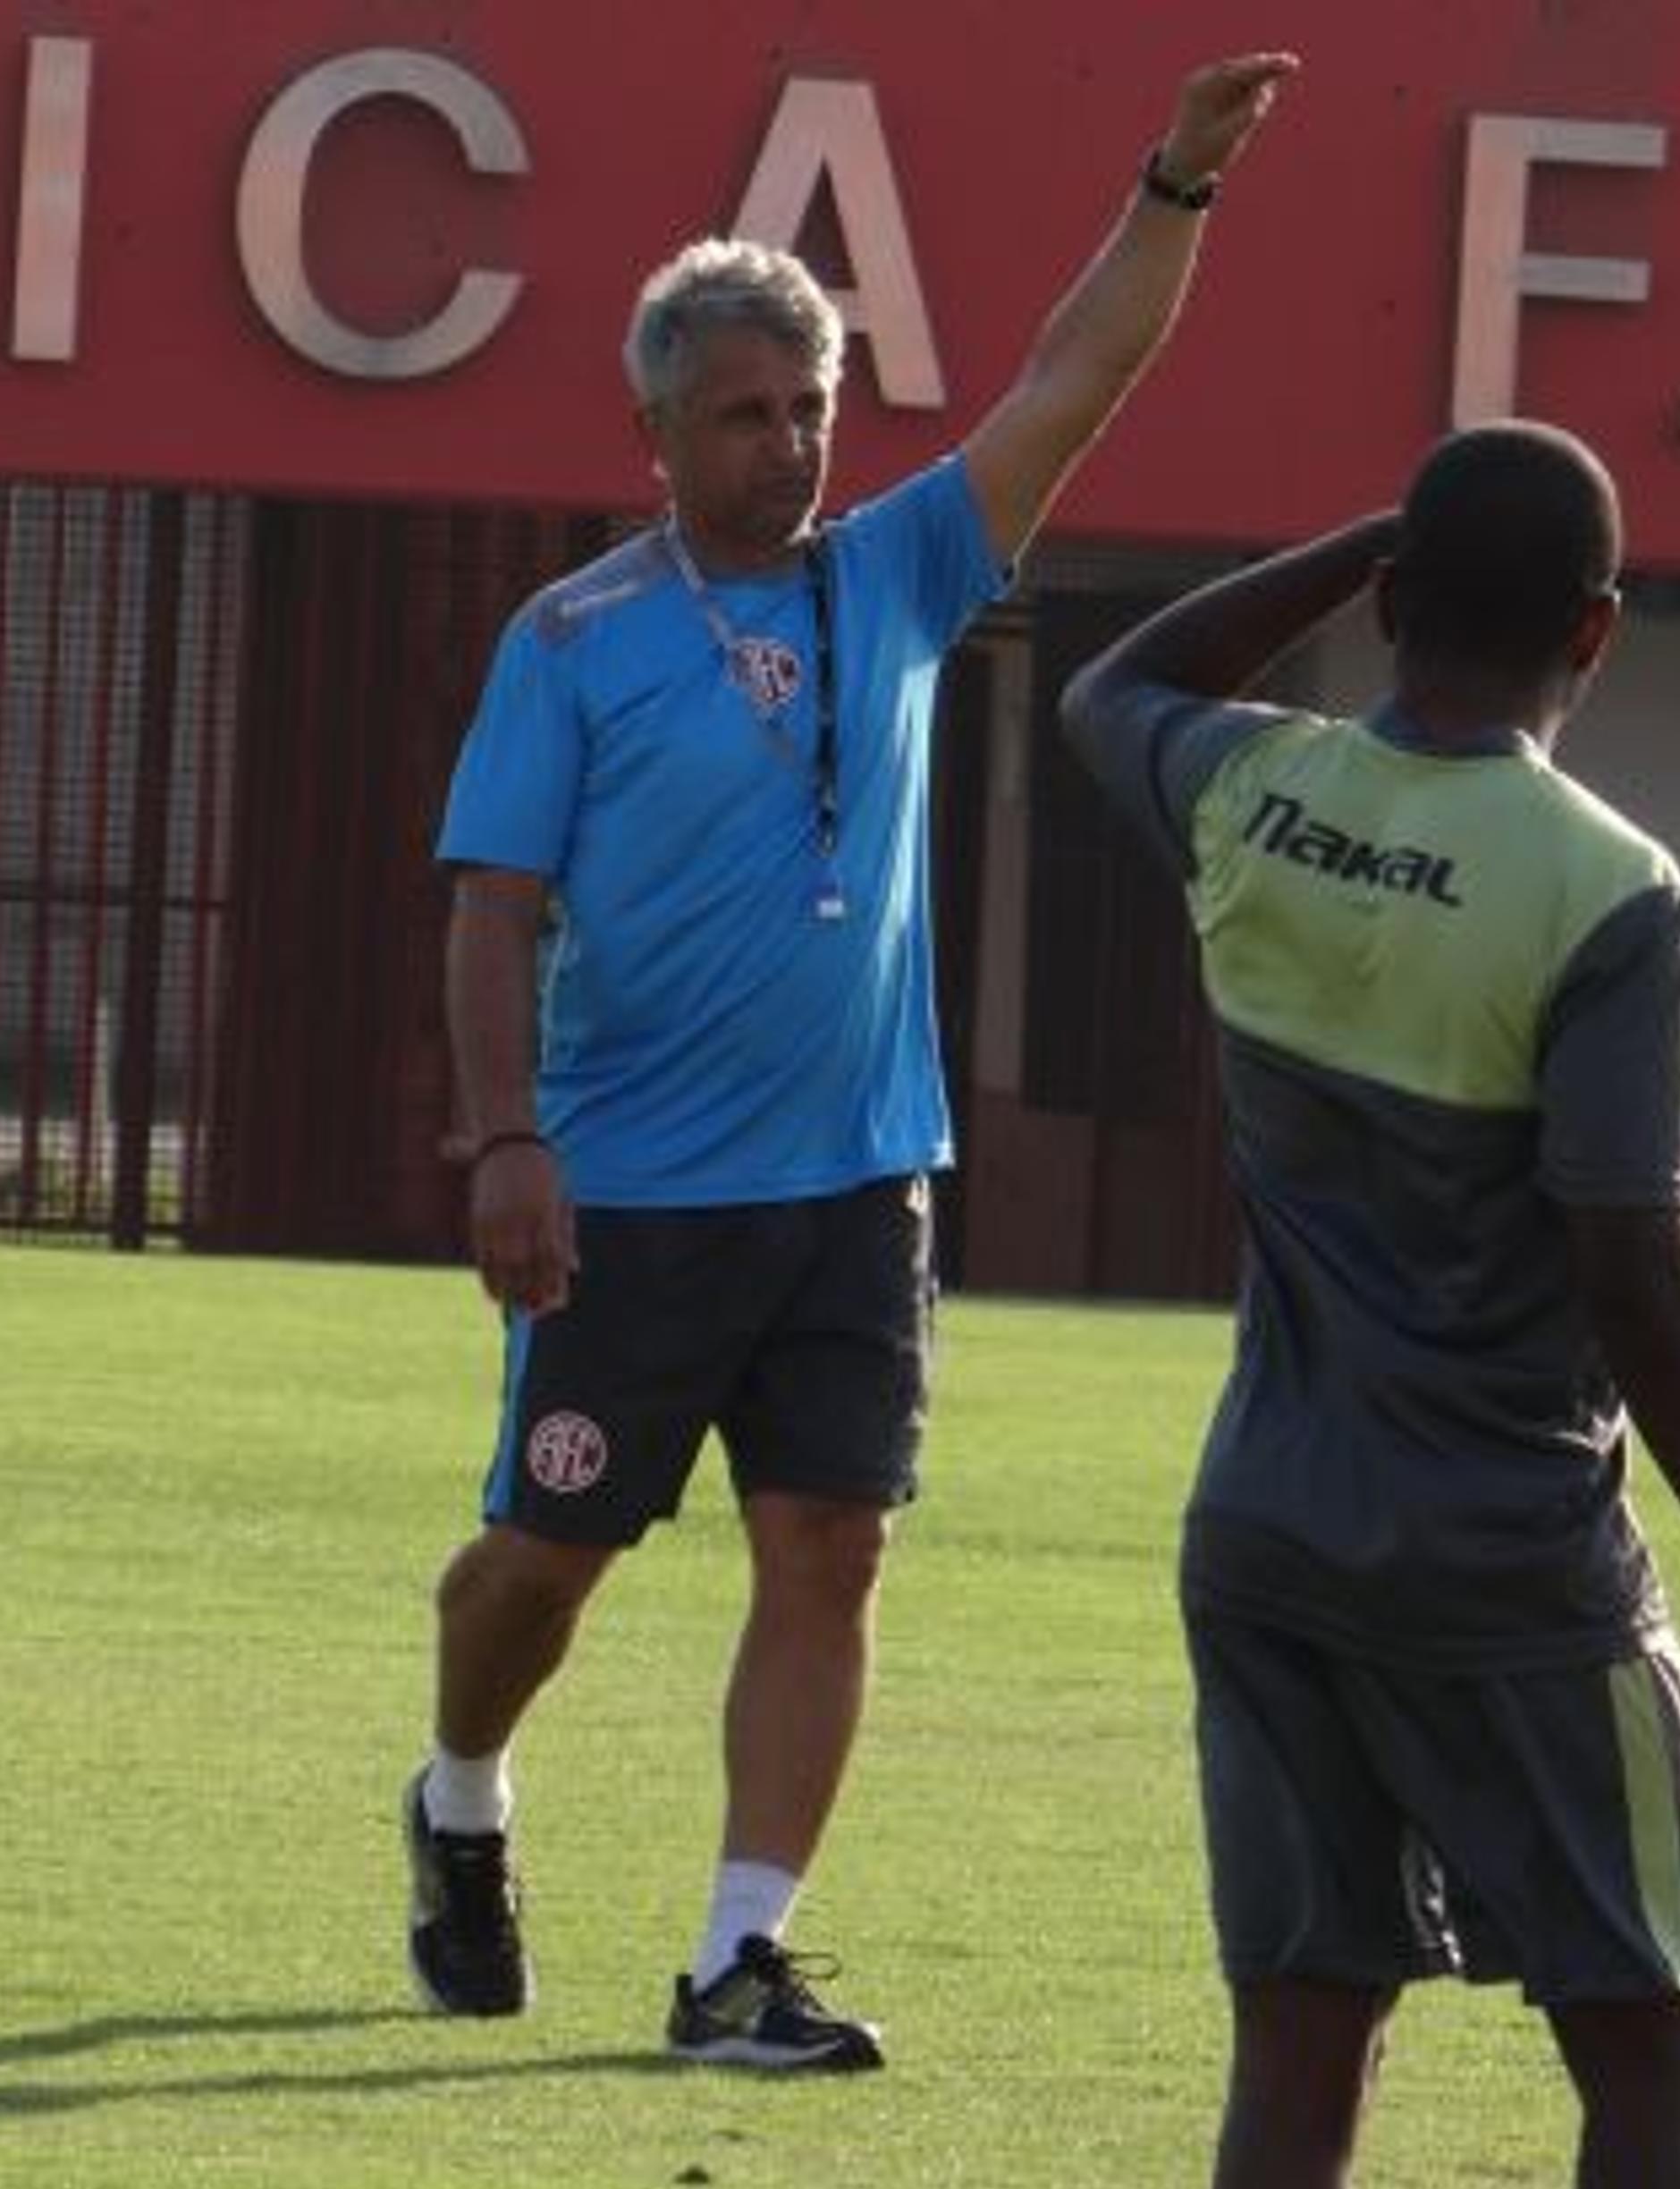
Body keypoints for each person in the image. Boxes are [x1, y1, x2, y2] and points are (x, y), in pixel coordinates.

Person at [402, 53, 1304, 2073]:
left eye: (809, 407)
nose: (786, 445)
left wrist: (1172, 183)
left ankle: (739, 1955)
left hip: (854, 1184)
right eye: (742, 413)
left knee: (833, 1543)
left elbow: (1073, 379)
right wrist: (507, 1138)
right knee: (538, 1568)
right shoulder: (570, 639)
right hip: (627, 1191)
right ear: (653, 430)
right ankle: (459, 1789)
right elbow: (488, 905)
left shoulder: (896, 570)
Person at [1058, 423, 1680, 2189]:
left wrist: (1341, 530)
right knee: (1646, 2062)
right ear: (1597, 631)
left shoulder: (1250, 791)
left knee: (1296, 2071)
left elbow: (1103, 680)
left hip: (1270, 1533)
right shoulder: (1608, 887)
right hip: (1514, 1557)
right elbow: (1627, 1249)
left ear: (1390, 597)